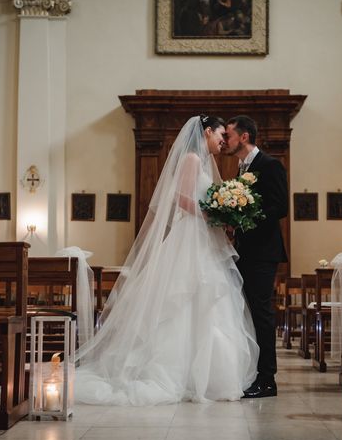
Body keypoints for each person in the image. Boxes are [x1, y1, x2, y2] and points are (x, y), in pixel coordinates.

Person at [74, 115, 258, 405]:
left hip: (203, 237)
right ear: (207, 132)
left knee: (209, 301)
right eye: (221, 134)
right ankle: (179, 374)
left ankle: (208, 377)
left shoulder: (205, 162)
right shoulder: (192, 159)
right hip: (191, 236)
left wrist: (220, 216)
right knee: (184, 299)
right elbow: (181, 198)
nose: (223, 141)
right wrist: (213, 215)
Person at [221, 115, 288, 398]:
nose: (225, 141)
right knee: (246, 313)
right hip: (245, 251)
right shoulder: (240, 168)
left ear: (244, 137)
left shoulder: (270, 165)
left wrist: (246, 217)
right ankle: (252, 372)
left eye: (230, 136)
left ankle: (267, 379)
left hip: (263, 252)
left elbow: (280, 206)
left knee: (261, 313)